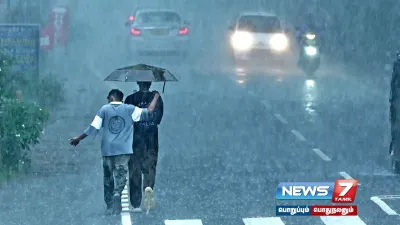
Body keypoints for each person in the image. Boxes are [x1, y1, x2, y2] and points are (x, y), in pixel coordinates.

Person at [69, 89, 160, 215]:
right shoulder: (129, 109)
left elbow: (93, 127)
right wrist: (155, 97)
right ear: (120, 98)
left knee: (108, 177)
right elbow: (149, 112)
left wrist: (78, 138)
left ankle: (110, 205)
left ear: (111, 98)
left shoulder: (104, 110)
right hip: (124, 149)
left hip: (107, 149)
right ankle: (118, 192)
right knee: (121, 175)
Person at [124, 82, 163, 212]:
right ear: (150, 83)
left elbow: (126, 118)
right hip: (151, 138)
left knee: (134, 169)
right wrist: (156, 98)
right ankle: (148, 186)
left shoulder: (130, 99)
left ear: (138, 83)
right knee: (150, 165)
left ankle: (135, 204)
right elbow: (158, 119)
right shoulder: (156, 98)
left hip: (134, 139)